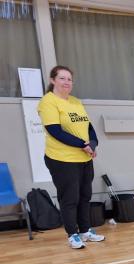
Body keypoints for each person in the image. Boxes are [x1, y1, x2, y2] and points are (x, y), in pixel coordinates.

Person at [38, 65, 105, 249]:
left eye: (69, 79)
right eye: (62, 78)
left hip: (83, 158)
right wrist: (82, 145)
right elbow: (55, 131)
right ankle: (72, 234)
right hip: (61, 160)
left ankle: (85, 231)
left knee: (85, 196)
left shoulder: (75, 101)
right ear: (53, 80)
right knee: (70, 198)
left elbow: (88, 126)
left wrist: (92, 144)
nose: (67, 82)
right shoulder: (48, 101)